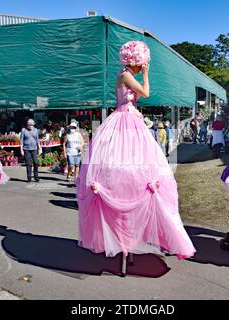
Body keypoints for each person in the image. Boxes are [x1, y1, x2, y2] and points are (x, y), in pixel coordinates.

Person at [76, 41, 195, 261]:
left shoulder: (128, 76)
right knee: (121, 165)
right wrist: (146, 75)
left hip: (132, 120)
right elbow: (146, 93)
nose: (143, 67)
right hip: (123, 121)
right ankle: (121, 234)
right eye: (142, 63)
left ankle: (130, 234)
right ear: (135, 61)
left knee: (138, 168)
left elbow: (137, 98)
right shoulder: (125, 75)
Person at [20, 119, 42, 183]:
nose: (31, 126)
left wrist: (40, 148)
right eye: (30, 125)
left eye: (32, 125)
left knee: (35, 162)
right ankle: (29, 177)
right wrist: (21, 150)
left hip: (34, 148)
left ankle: (36, 176)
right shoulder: (23, 130)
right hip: (26, 149)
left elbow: (37, 140)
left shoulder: (35, 130)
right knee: (28, 164)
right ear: (27, 125)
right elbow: (21, 141)